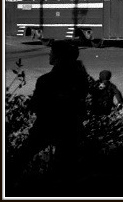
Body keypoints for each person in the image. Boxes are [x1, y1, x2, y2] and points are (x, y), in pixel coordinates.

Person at [18, 40, 91, 170]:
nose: (49, 55)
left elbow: (36, 106)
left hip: (47, 125)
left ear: (58, 56)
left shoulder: (46, 80)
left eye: (51, 52)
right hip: (71, 127)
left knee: (23, 157)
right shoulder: (81, 77)